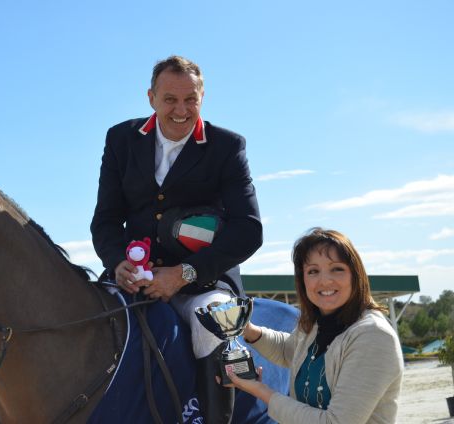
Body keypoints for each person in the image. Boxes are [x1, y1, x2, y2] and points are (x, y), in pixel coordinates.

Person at [91, 55, 262, 423]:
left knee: (211, 324)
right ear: (151, 97)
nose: (181, 110)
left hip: (203, 280)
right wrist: (117, 261)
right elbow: (105, 220)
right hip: (133, 276)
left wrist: (183, 273)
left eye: (191, 99)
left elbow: (249, 229)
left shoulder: (227, 146)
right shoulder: (120, 138)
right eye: (170, 99)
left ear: (202, 97)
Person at [223, 228, 403, 423]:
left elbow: (335, 421)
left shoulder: (373, 335)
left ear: (355, 274)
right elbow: (288, 351)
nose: (324, 281)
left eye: (337, 269)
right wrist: (248, 330)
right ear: (303, 280)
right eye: (313, 271)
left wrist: (262, 392)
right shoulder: (317, 324)